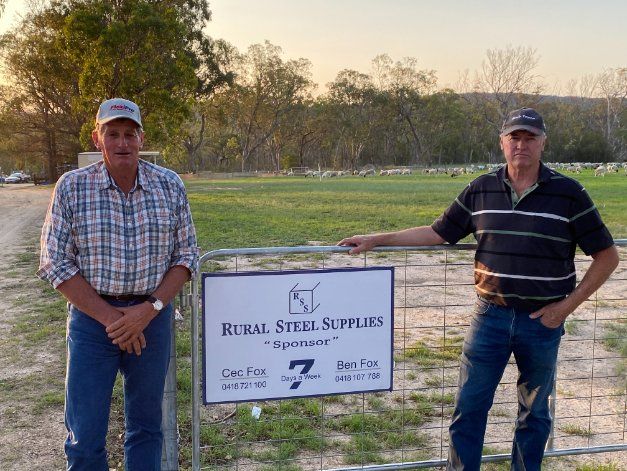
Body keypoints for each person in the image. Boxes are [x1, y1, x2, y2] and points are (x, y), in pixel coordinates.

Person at [339, 107, 619, 470]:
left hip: (543, 323)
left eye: (529, 138)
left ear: (542, 143)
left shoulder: (569, 193)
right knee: (468, 410)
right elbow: (438, 232)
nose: (521, 144)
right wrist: (378, 238)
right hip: (490, 319)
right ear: (502, 142)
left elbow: (607, 256)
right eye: (514, 137)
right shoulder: (480, 188)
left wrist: (566, 307)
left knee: (535, 415)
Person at [37, 98, 198, 470]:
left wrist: (148, 310)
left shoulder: (169, 186)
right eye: (113, 133)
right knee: (85, 435)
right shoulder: (72, 187)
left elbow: (187, 255)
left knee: (146, 427)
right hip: (93, 323)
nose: (122, 142)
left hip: (151, 319)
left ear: (142, 138)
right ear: (98, 138)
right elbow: (54, 261)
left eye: (129, 133)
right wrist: (113, 318)